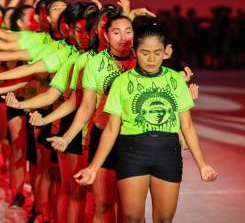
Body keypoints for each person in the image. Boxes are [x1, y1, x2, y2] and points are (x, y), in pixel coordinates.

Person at [74, 24, 217, 222]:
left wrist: (202, 164)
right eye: (145, 53)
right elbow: (112, 129)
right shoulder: (122, 82)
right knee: (131, 218)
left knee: (164, 219)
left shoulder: (175, 80)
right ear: (134, 52)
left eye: (157, 53)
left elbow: (188, 126)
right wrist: (93, 167)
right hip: (131, 154)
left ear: (166, 52)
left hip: (168, 154)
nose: (151, 59)